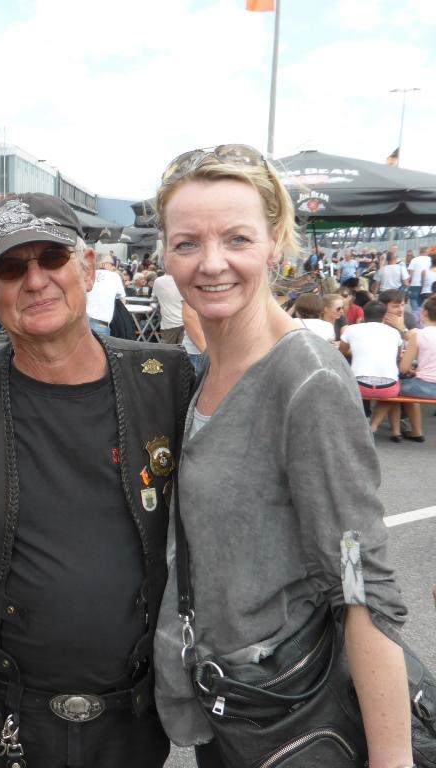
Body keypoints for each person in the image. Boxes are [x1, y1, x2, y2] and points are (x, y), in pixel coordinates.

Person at [152, 144, 412, 768]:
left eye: (237, 239)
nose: (211, 263)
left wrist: (392, 759)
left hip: (291, 712)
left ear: (275, 244)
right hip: (232, 701)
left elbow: (361, 582)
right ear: (165, 254)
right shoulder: (208, 367)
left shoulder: (306, 378)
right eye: (187, 243)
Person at [0, 193, 192, 768]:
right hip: (7, 709)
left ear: (87, 269)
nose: (35, 281)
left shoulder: (165, 380)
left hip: (135, 711)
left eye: (52, 259)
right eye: (11, 268)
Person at [397, 295, 436, 438]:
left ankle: (415, 431)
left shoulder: (417, 334)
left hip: (424, 387)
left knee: (397, 387)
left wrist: (413, 370)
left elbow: (403, 368)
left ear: (424, 312)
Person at [86, 253, 125, 335]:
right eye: (112, 264)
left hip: (82, 322)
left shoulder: (88, 275)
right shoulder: (114, 276)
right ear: (104, 264)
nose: (113, 267)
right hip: (101, 324)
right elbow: (122, 299)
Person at [152, 271, 186, 345]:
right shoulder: (186, 279)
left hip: (169, 323)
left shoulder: (159, 281)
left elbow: (154, 298)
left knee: (167, 350)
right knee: (184, 350)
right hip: (186, 321)